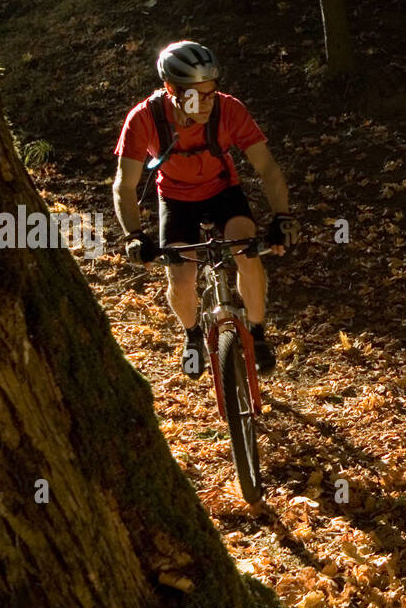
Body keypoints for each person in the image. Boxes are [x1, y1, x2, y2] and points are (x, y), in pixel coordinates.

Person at [112, 40, 297, 376]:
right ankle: (192, 335)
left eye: (212, 92)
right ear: (172, 89)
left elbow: (267, 168)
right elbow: (124, 185)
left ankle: (256, 332)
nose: (208, 102)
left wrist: (282, 216)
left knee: (247, 252)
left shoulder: (229, 110)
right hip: (175, 196)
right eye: (198, 94)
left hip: (222, 189)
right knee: (181, 277)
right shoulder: (144, 119)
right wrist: (134, 235)